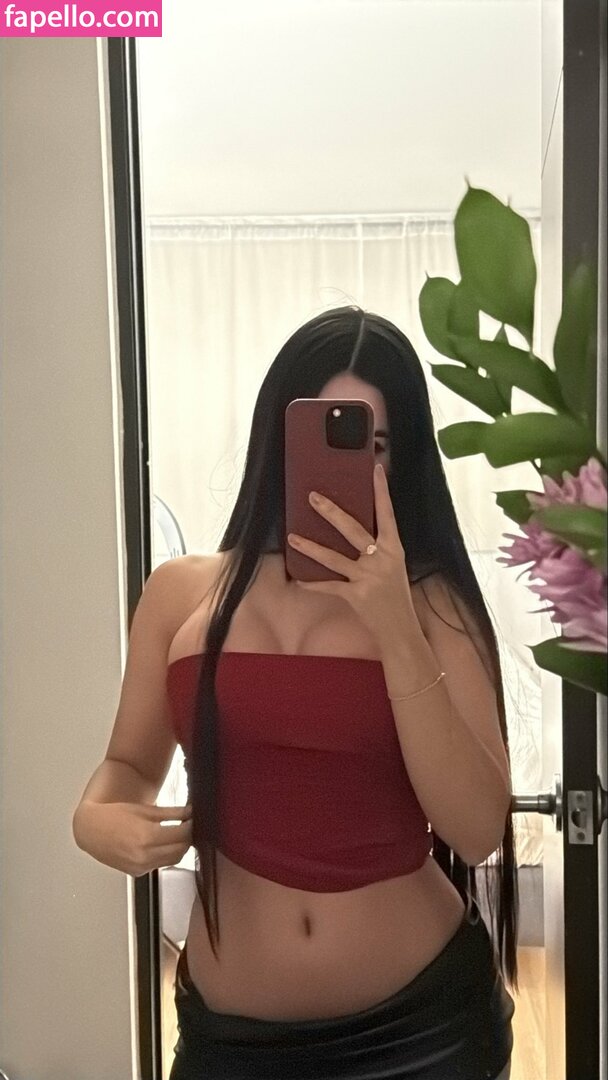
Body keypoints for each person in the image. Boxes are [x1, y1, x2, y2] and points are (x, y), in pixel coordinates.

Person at [73, 306, 518, 1080]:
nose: (353, 465)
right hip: (231, 1040)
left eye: (375, 444)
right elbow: (127, 766)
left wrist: (394, 626)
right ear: (276, 438)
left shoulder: (432, 603)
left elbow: (477, 830)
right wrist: (94, 817)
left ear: (402, 459)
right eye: (324, 433)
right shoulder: (181, 594)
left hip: (423, 1030)